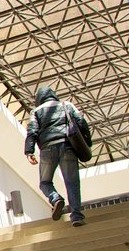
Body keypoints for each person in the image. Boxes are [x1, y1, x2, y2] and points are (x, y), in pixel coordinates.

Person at [24, 87, 92, 226]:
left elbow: (32, 131)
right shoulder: (66, 105)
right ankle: (77, 216)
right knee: (72, 182)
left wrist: (29, 151)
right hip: (67, 146)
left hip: (47, 149)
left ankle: (55, 198)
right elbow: (81, 122)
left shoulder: (36, 112)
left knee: (45, 183)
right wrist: (87, 142)